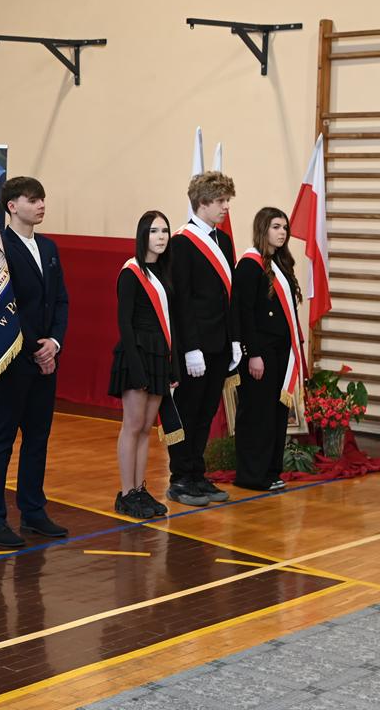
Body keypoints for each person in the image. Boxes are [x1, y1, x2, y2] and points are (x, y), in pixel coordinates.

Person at [0, 176, 69, 548]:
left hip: (45, 357)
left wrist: (54, 343)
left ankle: (33, 510)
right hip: (14, 358)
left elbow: (60, 300)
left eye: (43, 198)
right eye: (33, 199)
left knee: (38, 437)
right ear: (12, 206)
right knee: (3, 437)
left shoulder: (48, 246)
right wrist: (35, 347)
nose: (41, 205)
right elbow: (4, 304)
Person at [167, 171, 239, 507]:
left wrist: (235, 339)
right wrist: (191, 347)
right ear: (203, 202)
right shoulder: (182, 242)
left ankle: (197, 473)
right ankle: (179, 477)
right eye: (221, 201)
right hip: (195, 347)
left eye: (227, 200)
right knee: (188, 411)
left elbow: (229, 295)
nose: (226, 207)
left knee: (207, 412)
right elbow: (181, 299)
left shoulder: (223, 240)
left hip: (220, 343)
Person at [109, 210, 182, 519]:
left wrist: (173, 365)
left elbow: (171, 322)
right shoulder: (131, 272)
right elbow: (124, 323)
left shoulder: (164, 273)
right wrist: (136, 368)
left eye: (164, 231)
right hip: (136, 354)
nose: (161, 237)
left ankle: (139, 489)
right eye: (154, 231)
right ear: (143, 235)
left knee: (146, 429)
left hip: (159, 355)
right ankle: (127, 493)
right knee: (133, 425)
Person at [232, 207, 304, 491]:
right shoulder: (249, 265)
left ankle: (271, 471)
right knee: (257, 413)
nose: (282, 232)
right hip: (260, 350)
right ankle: (251, 474)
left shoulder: (281, 264)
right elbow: (245, 313)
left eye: (284, 227)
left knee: (276, 412)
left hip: (280, 350)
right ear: (263, 229)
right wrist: (254, 354)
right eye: (276, 227)